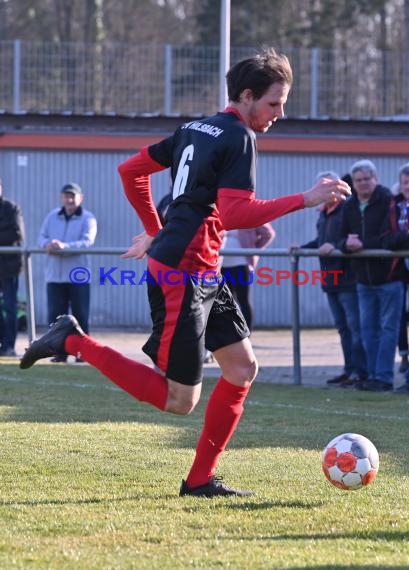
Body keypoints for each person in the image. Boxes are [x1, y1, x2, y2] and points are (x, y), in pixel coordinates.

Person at [20, 48, 351, 497]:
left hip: (202, 268)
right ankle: (71, 339)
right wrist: (305, 198)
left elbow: (131, 170)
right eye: (274, 104)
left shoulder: (196, 127)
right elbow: (236, 214)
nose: (280, 114)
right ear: (248, 96)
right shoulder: (239, 138)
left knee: (242, 368)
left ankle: (199, 481)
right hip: (182, 273)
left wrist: (155, 230)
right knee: (180, 400)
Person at [338, 159, 403, 392]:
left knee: (388, 330)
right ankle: (372, 375)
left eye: (367, 179)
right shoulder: (349, 205)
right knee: (367, 331)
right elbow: (340, 237)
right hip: (363, 279)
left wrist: (362, 244)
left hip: (389, 277)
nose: (363, 183)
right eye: (358, 180)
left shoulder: (388, 201)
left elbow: (391, 236)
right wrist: (347, 243)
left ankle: (384, 377)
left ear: (375, 179)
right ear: (353, 183)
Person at [299, 171, 367, 387]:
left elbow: (354, 238)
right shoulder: (323, 212)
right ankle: (349, 371)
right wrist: (301, 248)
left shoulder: (348, 209)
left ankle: (361, 372)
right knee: (343, 328)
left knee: (355, 327)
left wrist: (335, 247)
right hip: (330, 279)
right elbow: (322, 240)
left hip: (348, 278)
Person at [38, 182, 97, 362]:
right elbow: (42, 237)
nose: (69, 199)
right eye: (66, 196)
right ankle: (59, 353)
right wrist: (47, 245)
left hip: (78, 276)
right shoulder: (52, 216)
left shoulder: (88, 218)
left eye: (73, 196)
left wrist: (64, 247)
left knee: (80, 316)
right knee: (56, 318)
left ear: (81, 198)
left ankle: (83, 354)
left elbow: (87, 241)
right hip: (55, 276)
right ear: (61, 198)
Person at [381, 162, 409, 394]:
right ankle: (402, 364)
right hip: (400, 271)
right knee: (397, 322)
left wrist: (402, 238)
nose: (408, 186)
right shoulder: (395, 206)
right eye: (405, 182)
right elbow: (388, 240)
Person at [221, 224, 275, 330]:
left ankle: (247, 332)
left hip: (241, 265)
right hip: (221, 265)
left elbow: (268, 233)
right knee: (225, 301)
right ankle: (230, 333)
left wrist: (255, 250)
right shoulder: (224, 213)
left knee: (243, 300)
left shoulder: (247, 214)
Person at [0, 178, 25, 357]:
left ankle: (9, 345)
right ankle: (2, 343)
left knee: (10, 307)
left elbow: (16, 233)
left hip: (9, 266)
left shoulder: (11, 208)